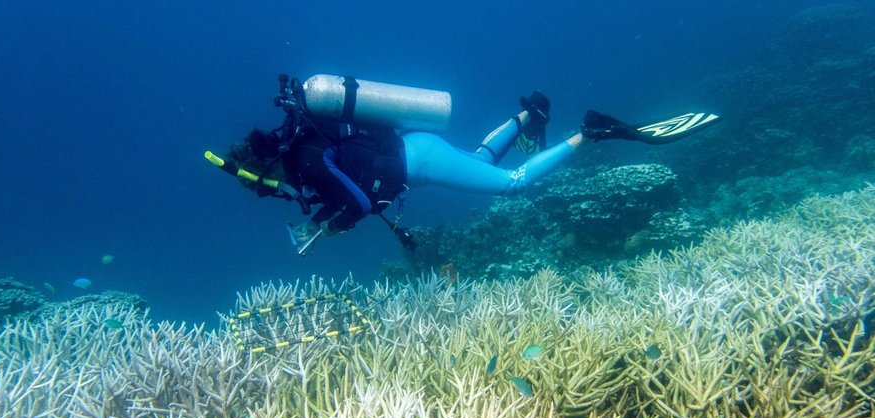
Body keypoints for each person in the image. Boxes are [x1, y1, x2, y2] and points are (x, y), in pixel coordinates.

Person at [206, 75, 719, 255]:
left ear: (262, 165)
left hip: (416, 161)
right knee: (476, 161)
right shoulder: (302, 147)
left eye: (260, 183)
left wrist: (333, 222)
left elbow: (360, 199)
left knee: (514, 184)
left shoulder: (304, 157)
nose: (268, 189)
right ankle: (528, 112)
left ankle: (591, 131)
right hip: (416, 149)